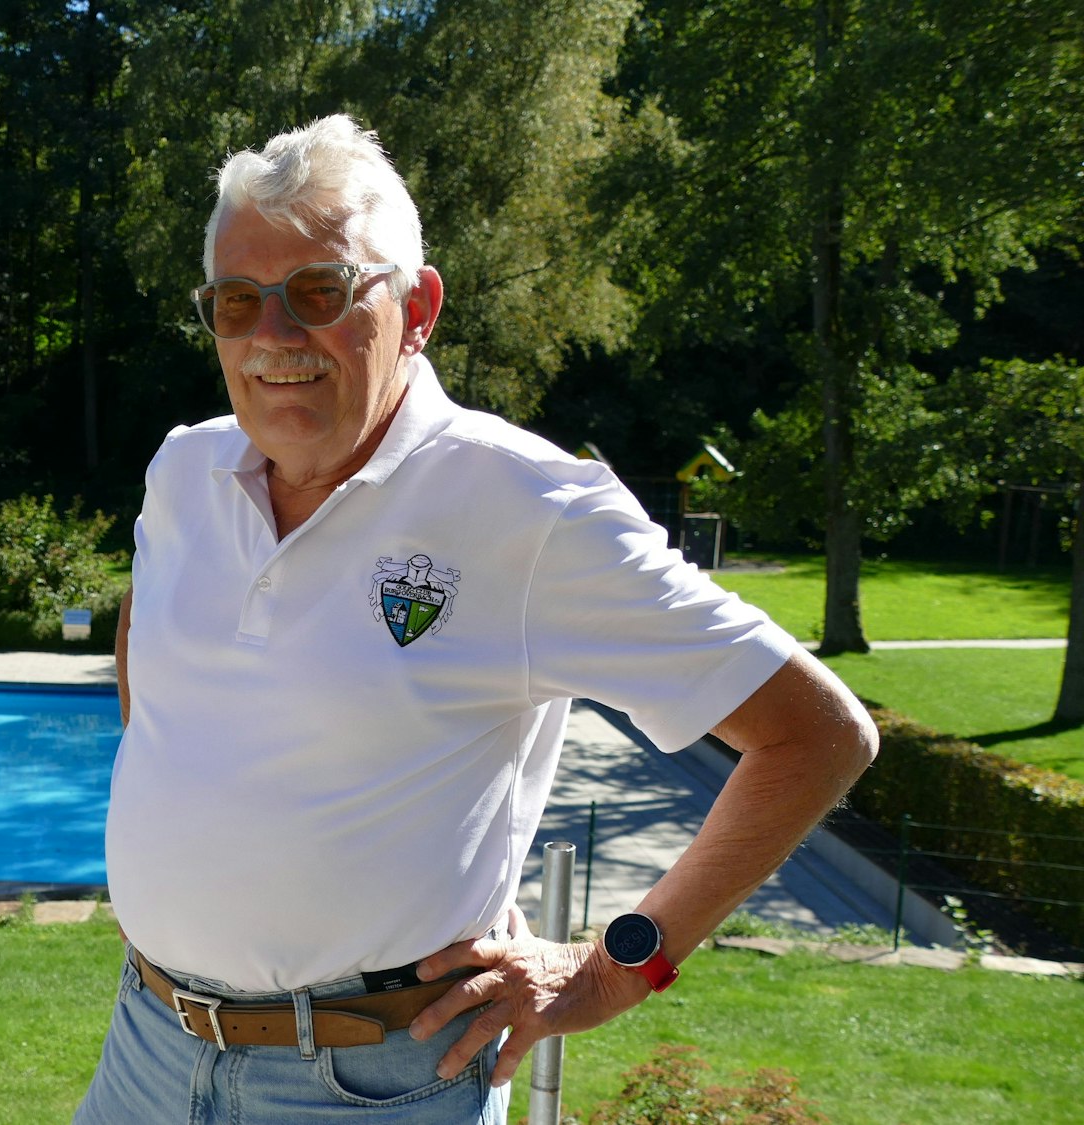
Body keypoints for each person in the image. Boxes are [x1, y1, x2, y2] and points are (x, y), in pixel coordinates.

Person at [74, 115, 878, 1124]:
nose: (272, 337)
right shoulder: (184, 468)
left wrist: (613, 969)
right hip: (148, 1046)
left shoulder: (530, 511)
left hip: (372, 1083)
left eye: (319, 293)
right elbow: (147, 645)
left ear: (415, 307)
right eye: (237, 302)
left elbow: (816, 734)